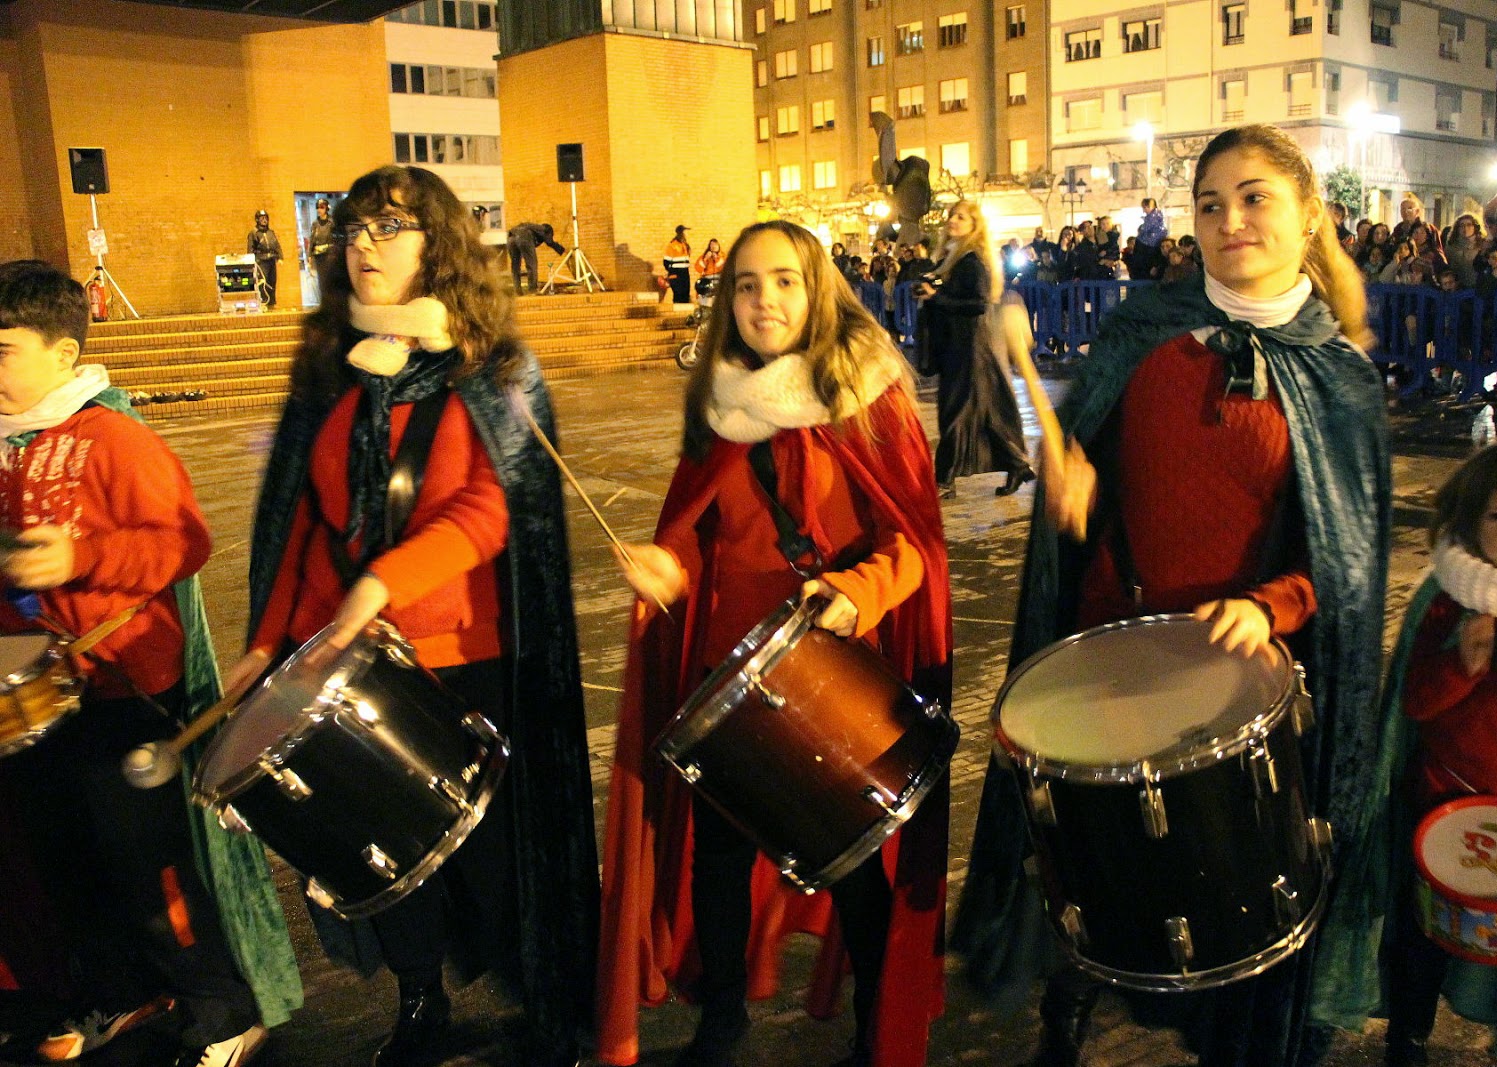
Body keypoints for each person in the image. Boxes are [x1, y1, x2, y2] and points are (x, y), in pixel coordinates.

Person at [952, 123, 1390, 1067]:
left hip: (1245, 676)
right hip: (1118, 637)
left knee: (1223, 873)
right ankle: (1067, 1001)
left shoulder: (1338, 378)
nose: (1230, 219)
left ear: (1309, 214)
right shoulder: (1142, 330)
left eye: (1256, 196)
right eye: (1210, 201)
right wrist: (1076, 492)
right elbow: (1102, 472)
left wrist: (1272, 605)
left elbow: (1348, 566)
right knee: (1099, 851)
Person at [235, 165, 598, 1067]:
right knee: (380, 852)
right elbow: (301, 525)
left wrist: (384, 583)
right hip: (350, 656)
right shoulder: (330, 366)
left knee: (493, 849)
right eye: (354, 227)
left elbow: (490, 507)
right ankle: (421, 999)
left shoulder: (491, 366)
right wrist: (268, 644)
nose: (364, 243)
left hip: (466, 648)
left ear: (436, 243)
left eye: (391, 227)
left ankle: (548, 1006)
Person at [595, 219, 952, 1067]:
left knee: (854, 858)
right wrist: (666, 568)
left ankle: (875, 1028)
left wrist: (854, 592)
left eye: (785, 280)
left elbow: (913, 544)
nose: (765, 301)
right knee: (716, 856)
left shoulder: (869, 395)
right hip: (727, 670)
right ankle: (722, 1019)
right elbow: (698, 535)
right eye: (748, 285)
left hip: (829, 668)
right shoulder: (718, 402)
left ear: (817, 287)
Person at [0, 259, 301, 1066]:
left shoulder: (114, 435)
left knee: (149, 872)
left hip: (122, 690)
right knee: (70, 863)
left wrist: (82, 554)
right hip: (32, 702)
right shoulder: (5, 446)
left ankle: (223, 1012)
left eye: (4, 350)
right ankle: (125, 994)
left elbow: (184, 542)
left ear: (64, 354)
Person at [1310, 436, 1497, 1067]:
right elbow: (1413, 705)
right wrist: (1462, 665)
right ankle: (1407, 1039)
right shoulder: (1447, 599)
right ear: (1471, 521)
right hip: (1440, 809)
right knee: (1423, 943)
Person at [914, 200, 1034, 497]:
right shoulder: (953, 256)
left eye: (961, 217)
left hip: (971, 349)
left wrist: (937, 297)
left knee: (956, 412)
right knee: (984, 412)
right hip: (959, 347)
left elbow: (979, 304)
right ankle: (1017, 465)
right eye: (952, 216)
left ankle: (944, 480)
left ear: (974, 225)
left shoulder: (972, 260)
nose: (953, 220)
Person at [505, 221, 564, 294]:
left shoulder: (533, 228)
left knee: (515, 267)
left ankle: (517, 291)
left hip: (511, 237)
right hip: (524, 236)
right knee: (532, 264)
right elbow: (550, 242)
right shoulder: (544, 229)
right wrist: (561, 250)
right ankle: (532, 290)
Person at [247, 209, 283, 308]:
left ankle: (272, 303)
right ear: (257, 219)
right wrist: (252, 263)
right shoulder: (254, 233)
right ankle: (263, 303)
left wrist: (280, 257)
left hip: (271, 260)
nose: (264, 220)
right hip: (261, 261)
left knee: (272, 281)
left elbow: (277, 245)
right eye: (262, 218)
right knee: (263, 283)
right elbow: (250, 249)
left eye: (266, 218)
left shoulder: (271, 232)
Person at [1443, 212, 1489, 287]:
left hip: (1477, 287)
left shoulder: (1483, 245)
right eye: (1462, 225)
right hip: (1457, 288)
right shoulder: (1451, 246)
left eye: (1469, 225)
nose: (1465, 228)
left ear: (1475, 227)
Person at [1131, 197, 1168, 279]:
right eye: (1144, 207)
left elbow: (1146, 228)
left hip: (1149, 243)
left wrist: (1141, 230)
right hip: (1152, 242)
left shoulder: (1152, 217)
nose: (1145, 210)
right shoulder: (1157, 218)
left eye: (1146, 207)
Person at [664, 225, 693, 303]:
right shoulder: (673, 244)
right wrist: (672, 272)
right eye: (685, 232)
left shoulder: (685, 245)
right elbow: (666, 261)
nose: (687, 234)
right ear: (681, 233)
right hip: (676, 272)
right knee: (678, 294)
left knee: (685, 293)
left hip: (685, 272)